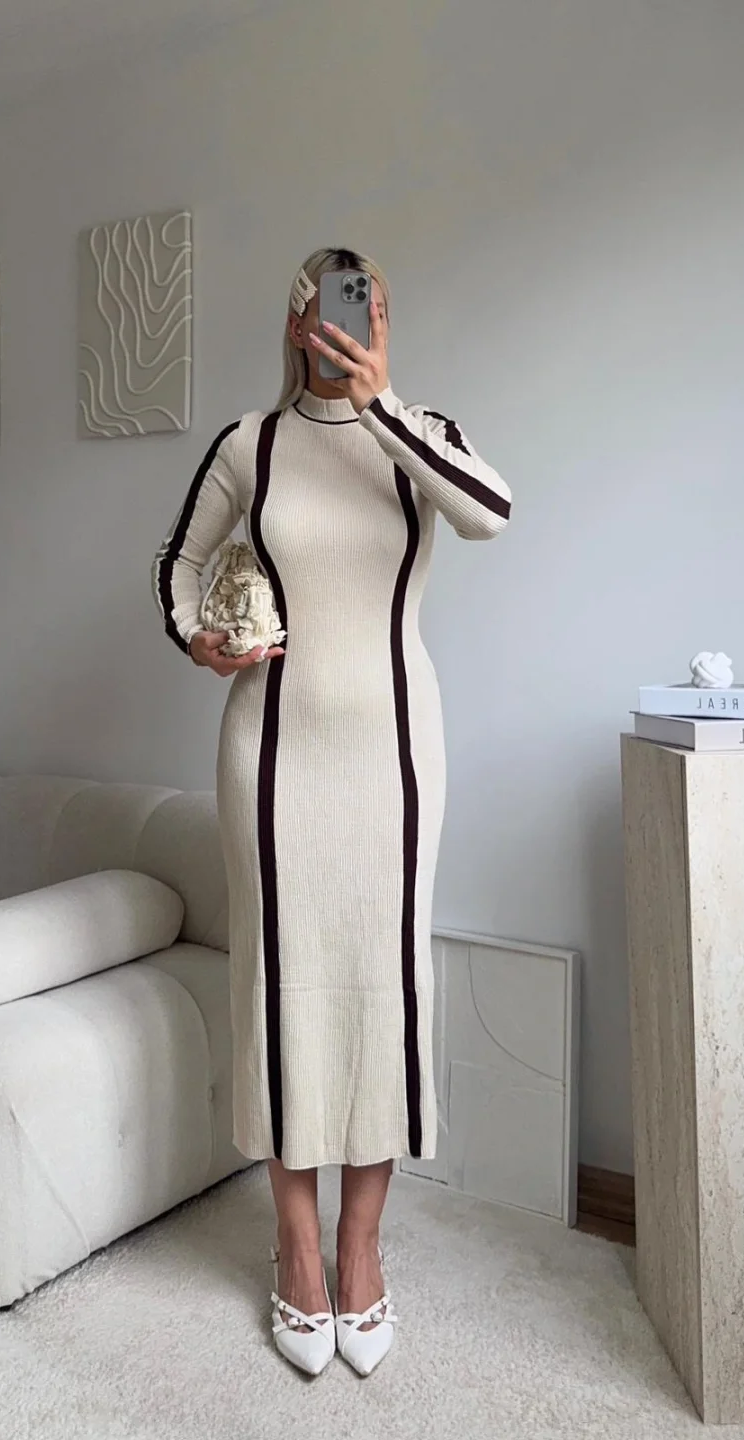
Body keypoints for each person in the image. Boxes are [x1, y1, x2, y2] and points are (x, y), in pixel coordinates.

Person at [152, 247, 511, 1377]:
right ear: (296, 319)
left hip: (396, 758)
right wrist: (199, 638)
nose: (349, 326)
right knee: (280, 984)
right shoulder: (249, 446)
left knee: (383, 986)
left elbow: (492, 511)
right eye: (330, 307)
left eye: (370, 307)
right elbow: (176, 563)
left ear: (385, 321)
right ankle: (297, 1249)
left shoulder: (421, 433)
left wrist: (380, 404)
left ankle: (363, 1249)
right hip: (270, 756)